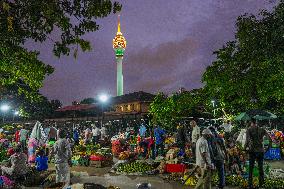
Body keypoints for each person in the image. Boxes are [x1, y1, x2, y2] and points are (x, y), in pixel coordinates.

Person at [244, 118, 272, 189]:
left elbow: (247, 141)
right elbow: (270, 139)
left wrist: (244, 149)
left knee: (251, 168)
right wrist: (267, 149)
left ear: (251, 122)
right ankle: (261, 185)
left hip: (252, 151)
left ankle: (250, 185)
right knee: (260, 168)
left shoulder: (249, 129)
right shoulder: (262, 129)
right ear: (256, 122)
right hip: (261, 150)